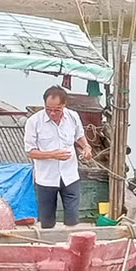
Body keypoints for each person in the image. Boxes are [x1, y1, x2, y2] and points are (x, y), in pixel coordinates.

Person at [24, 86, 93, 228]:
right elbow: (30, 152)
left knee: (73, 218)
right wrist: (52, 155)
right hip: (46, 178)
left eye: (57, 110)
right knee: (47, 221)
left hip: (70, 176)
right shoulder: (34, 122)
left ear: (64, 105)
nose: (52, 113)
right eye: (48, 109)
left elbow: (79, 136)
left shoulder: (73, 117)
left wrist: (86, 147)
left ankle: (70, 244)